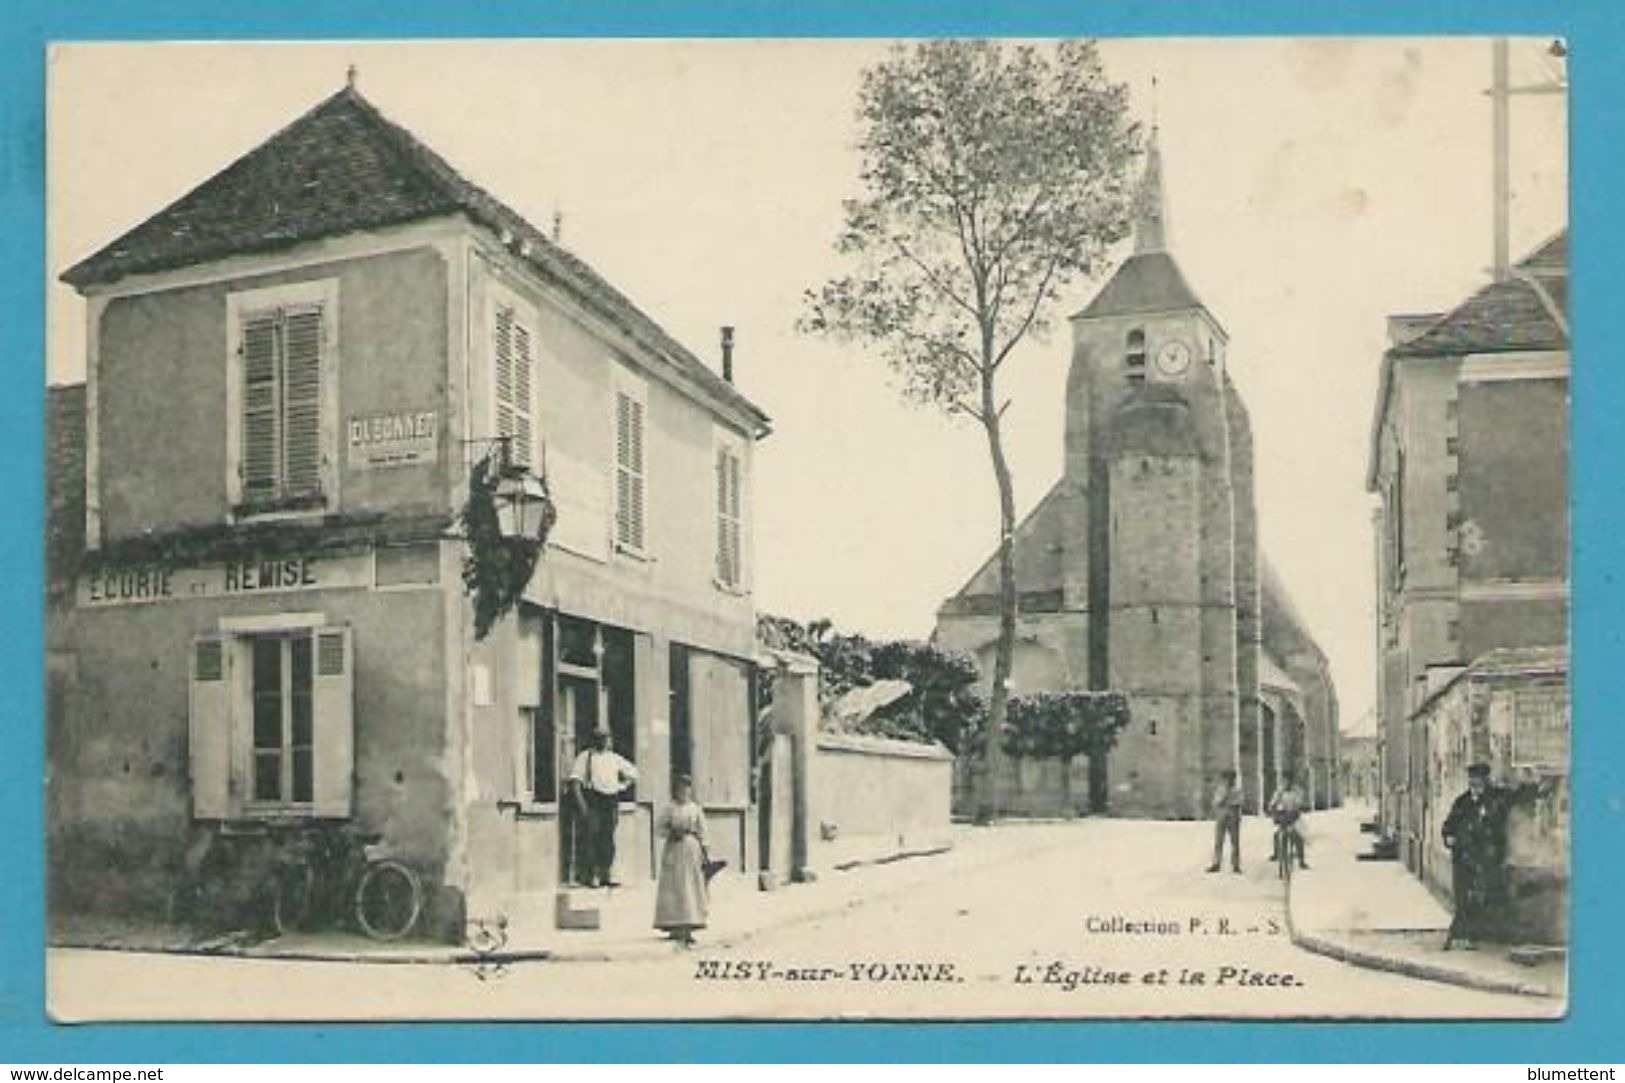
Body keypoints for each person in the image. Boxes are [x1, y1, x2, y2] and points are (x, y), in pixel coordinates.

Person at [1441, 762, 1511, 950]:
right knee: (1463, 896)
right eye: (1472, 779)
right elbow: (1449, 824)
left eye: (1479, 779)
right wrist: (1448, 837)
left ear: (1486, 780)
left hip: (1486, 857)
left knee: (1484, 896)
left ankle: (1476, 935)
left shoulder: (1495, 799)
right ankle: (1461, 935)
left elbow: (1502, 821)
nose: (1475, 783)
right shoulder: (1462, 802)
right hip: (1463, 857)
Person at [567, 726, 638, 888]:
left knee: (608, 839)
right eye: (599, 738)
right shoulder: (586, 757)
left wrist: (622, 786)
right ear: (594, 739)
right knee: (592, 838)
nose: (603, 741)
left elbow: (633, 773)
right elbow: (575, 783)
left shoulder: (614, 758)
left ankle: (606, 873)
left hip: (610, 801)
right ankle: (592, 875)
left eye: (606, 738)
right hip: (594, 800)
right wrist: (582, 806)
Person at [654, 774, 711, 946]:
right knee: (674, 887)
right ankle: (673, 925)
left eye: (686, 788)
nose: (683, 792)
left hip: (691, 850)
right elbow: (658, 829)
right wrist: (671, 832)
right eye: (680, 788)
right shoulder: (670, 809)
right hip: (674, 849)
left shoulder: (695, 809)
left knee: (690, 887)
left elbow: (704, 832)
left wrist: (706, 851)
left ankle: (689, 925)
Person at [1268, 774, 1309, 870]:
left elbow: (1299, 803)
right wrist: (1272, 809)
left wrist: (1298, 807)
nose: (1286, 783)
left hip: (1293, 817)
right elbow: (1273, 803)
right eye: (1284, 781)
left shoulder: (1296, 792)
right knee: (1277, 835)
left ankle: (1301, 861)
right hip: (1282, 816)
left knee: (1298, 837)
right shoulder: (1279, 792)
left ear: (1291, 782)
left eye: (1288, 781)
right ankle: (1276, 854)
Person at [1206, 769, 1243, 873]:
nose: (1228, 781)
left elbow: (1239, 802)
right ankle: (1216, 863)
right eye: (1226, 779)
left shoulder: (1237, 790)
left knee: (1235, 842)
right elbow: (1215, 802)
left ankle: (1235, 864)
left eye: (1231, 779)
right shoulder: (1220, 790)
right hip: (1221, 816)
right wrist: (1224, 797)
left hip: (1233, 817)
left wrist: (1229, 801)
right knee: (1218, 841)